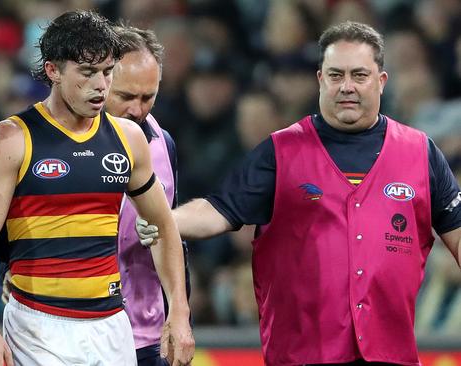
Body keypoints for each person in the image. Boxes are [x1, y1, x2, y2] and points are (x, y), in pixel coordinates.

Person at [138, 21, 461, 366]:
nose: (347, 87)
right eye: (336, 75)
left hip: (392, 357)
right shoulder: (281, 151)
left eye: (359, 75)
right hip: (303, 357)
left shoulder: (420, 153)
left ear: (381, 81)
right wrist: (165, 219)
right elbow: (219, 210)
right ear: (320, 79)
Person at [0, 10, 194, 366]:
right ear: (53, 70)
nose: (100, 85)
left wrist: (179, 313)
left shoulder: (129, 139)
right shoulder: (12, 139)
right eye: (88, 73)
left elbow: (164, 227)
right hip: (38, 326)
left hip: (112, 325)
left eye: (107, 72)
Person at [105, 24, 190, 366]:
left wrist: (181, 314)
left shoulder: (161, 141)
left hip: (148, 333)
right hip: (85, 328)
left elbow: (171, 234)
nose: (137, 110)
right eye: (125, 97)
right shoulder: (58, 142)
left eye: (148, 97)